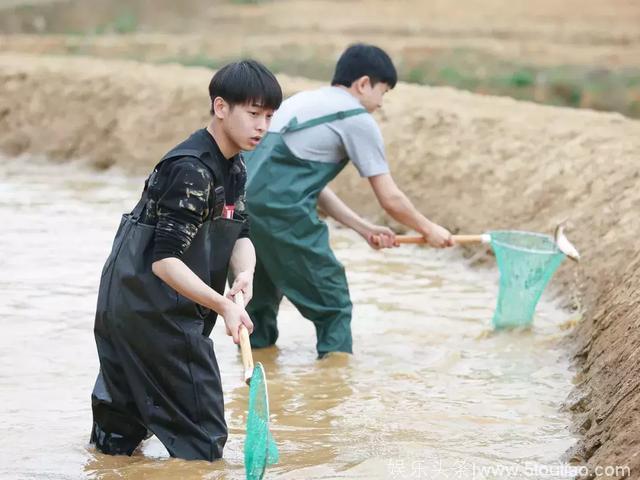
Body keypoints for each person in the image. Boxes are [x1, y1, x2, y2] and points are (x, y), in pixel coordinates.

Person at [89, 60, 282, 461]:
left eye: (268, 116)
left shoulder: (233, 165)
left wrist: (244, 275)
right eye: (253, 113)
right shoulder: (191, 169)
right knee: (203, 441)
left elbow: (240, 231)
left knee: (116, 442)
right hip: (155, 313)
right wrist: (223, 305)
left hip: (127, 306)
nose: (262, 126)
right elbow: (165, 262)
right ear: (221, 107)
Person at [244, 44, 454, 358]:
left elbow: (298, 184)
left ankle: (258, 381)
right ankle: (335, 385)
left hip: (240, 215)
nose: (380, 104)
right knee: (333, 305)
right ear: (363, 84)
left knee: (254, 310)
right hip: (282, 217)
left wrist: (363, 228)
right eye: (383, 92)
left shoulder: (303, 102)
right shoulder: (356, 117)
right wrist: (430, 229)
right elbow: (390, 198)